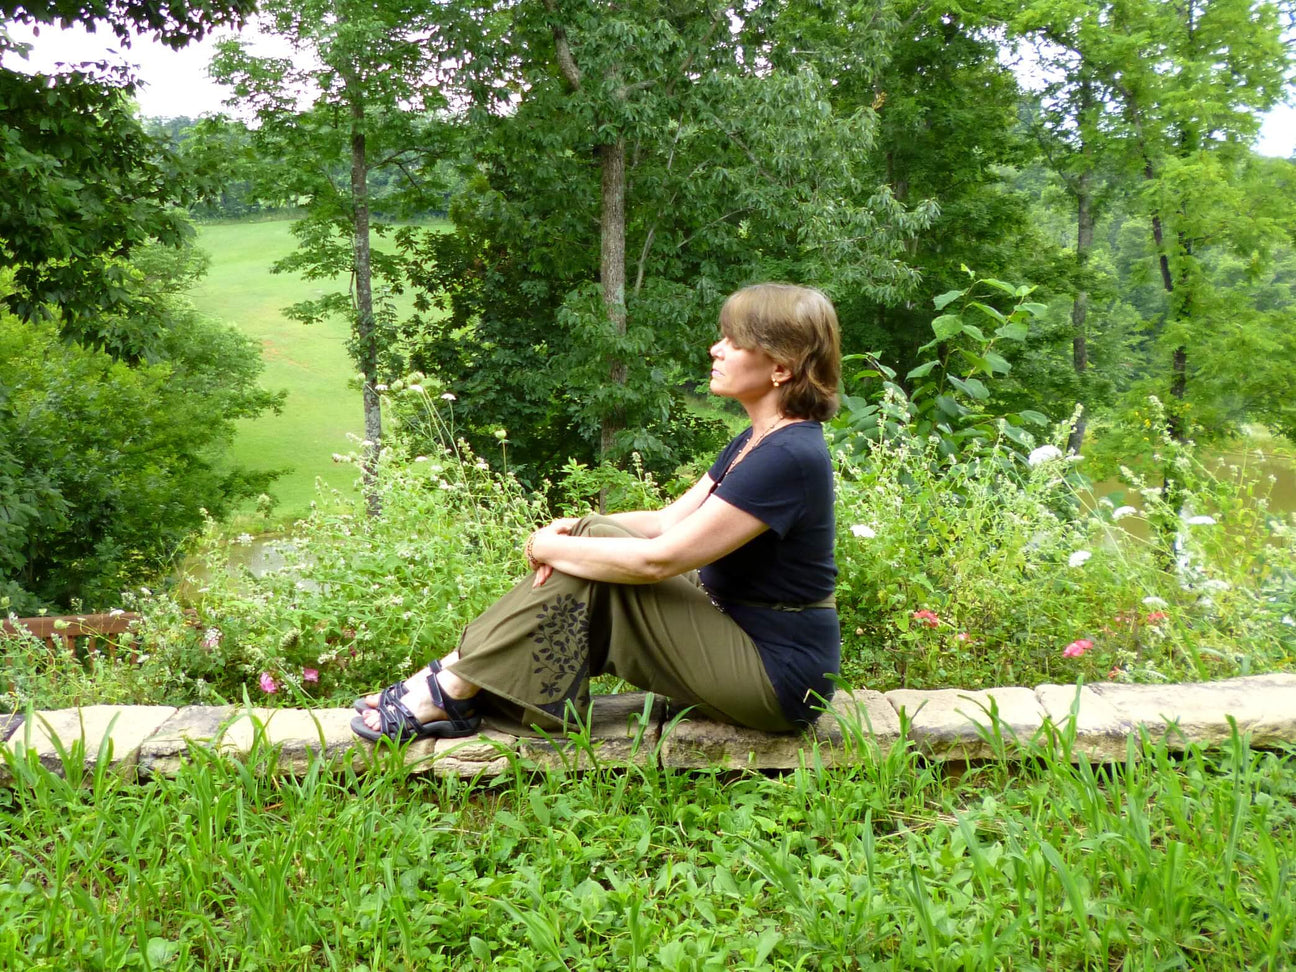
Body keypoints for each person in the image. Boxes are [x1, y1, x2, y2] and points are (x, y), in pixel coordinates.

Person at [352, 282, 841, 742]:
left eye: (734, 342)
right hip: (736, 623)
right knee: (594, 533)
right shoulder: (760, 439)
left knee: (595, 566)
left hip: (777, 673)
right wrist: (574, 533)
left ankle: (453, 685)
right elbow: (669, 521)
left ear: (780, 367)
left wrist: (547, 547)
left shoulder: (789, 456)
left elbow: (661, 560)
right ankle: (457, 676)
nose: (716, 349)